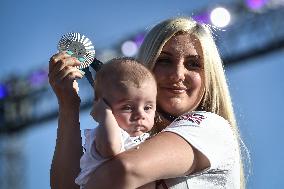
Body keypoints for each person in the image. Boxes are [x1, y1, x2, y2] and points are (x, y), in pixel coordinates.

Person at [49, 16, 246, 189]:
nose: (178, 74)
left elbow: (123, 172)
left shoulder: (211, 127)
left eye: (193, 64)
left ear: (209, 77)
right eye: (164, 61)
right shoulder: (124, 137)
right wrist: (68, 106)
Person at [74, 57, 157, 189]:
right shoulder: (107, 134)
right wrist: (104, 114)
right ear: (105, 107)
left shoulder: (146, 138)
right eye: (127, 107)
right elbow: (111, 148)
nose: (140, 115)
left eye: (147, 107)